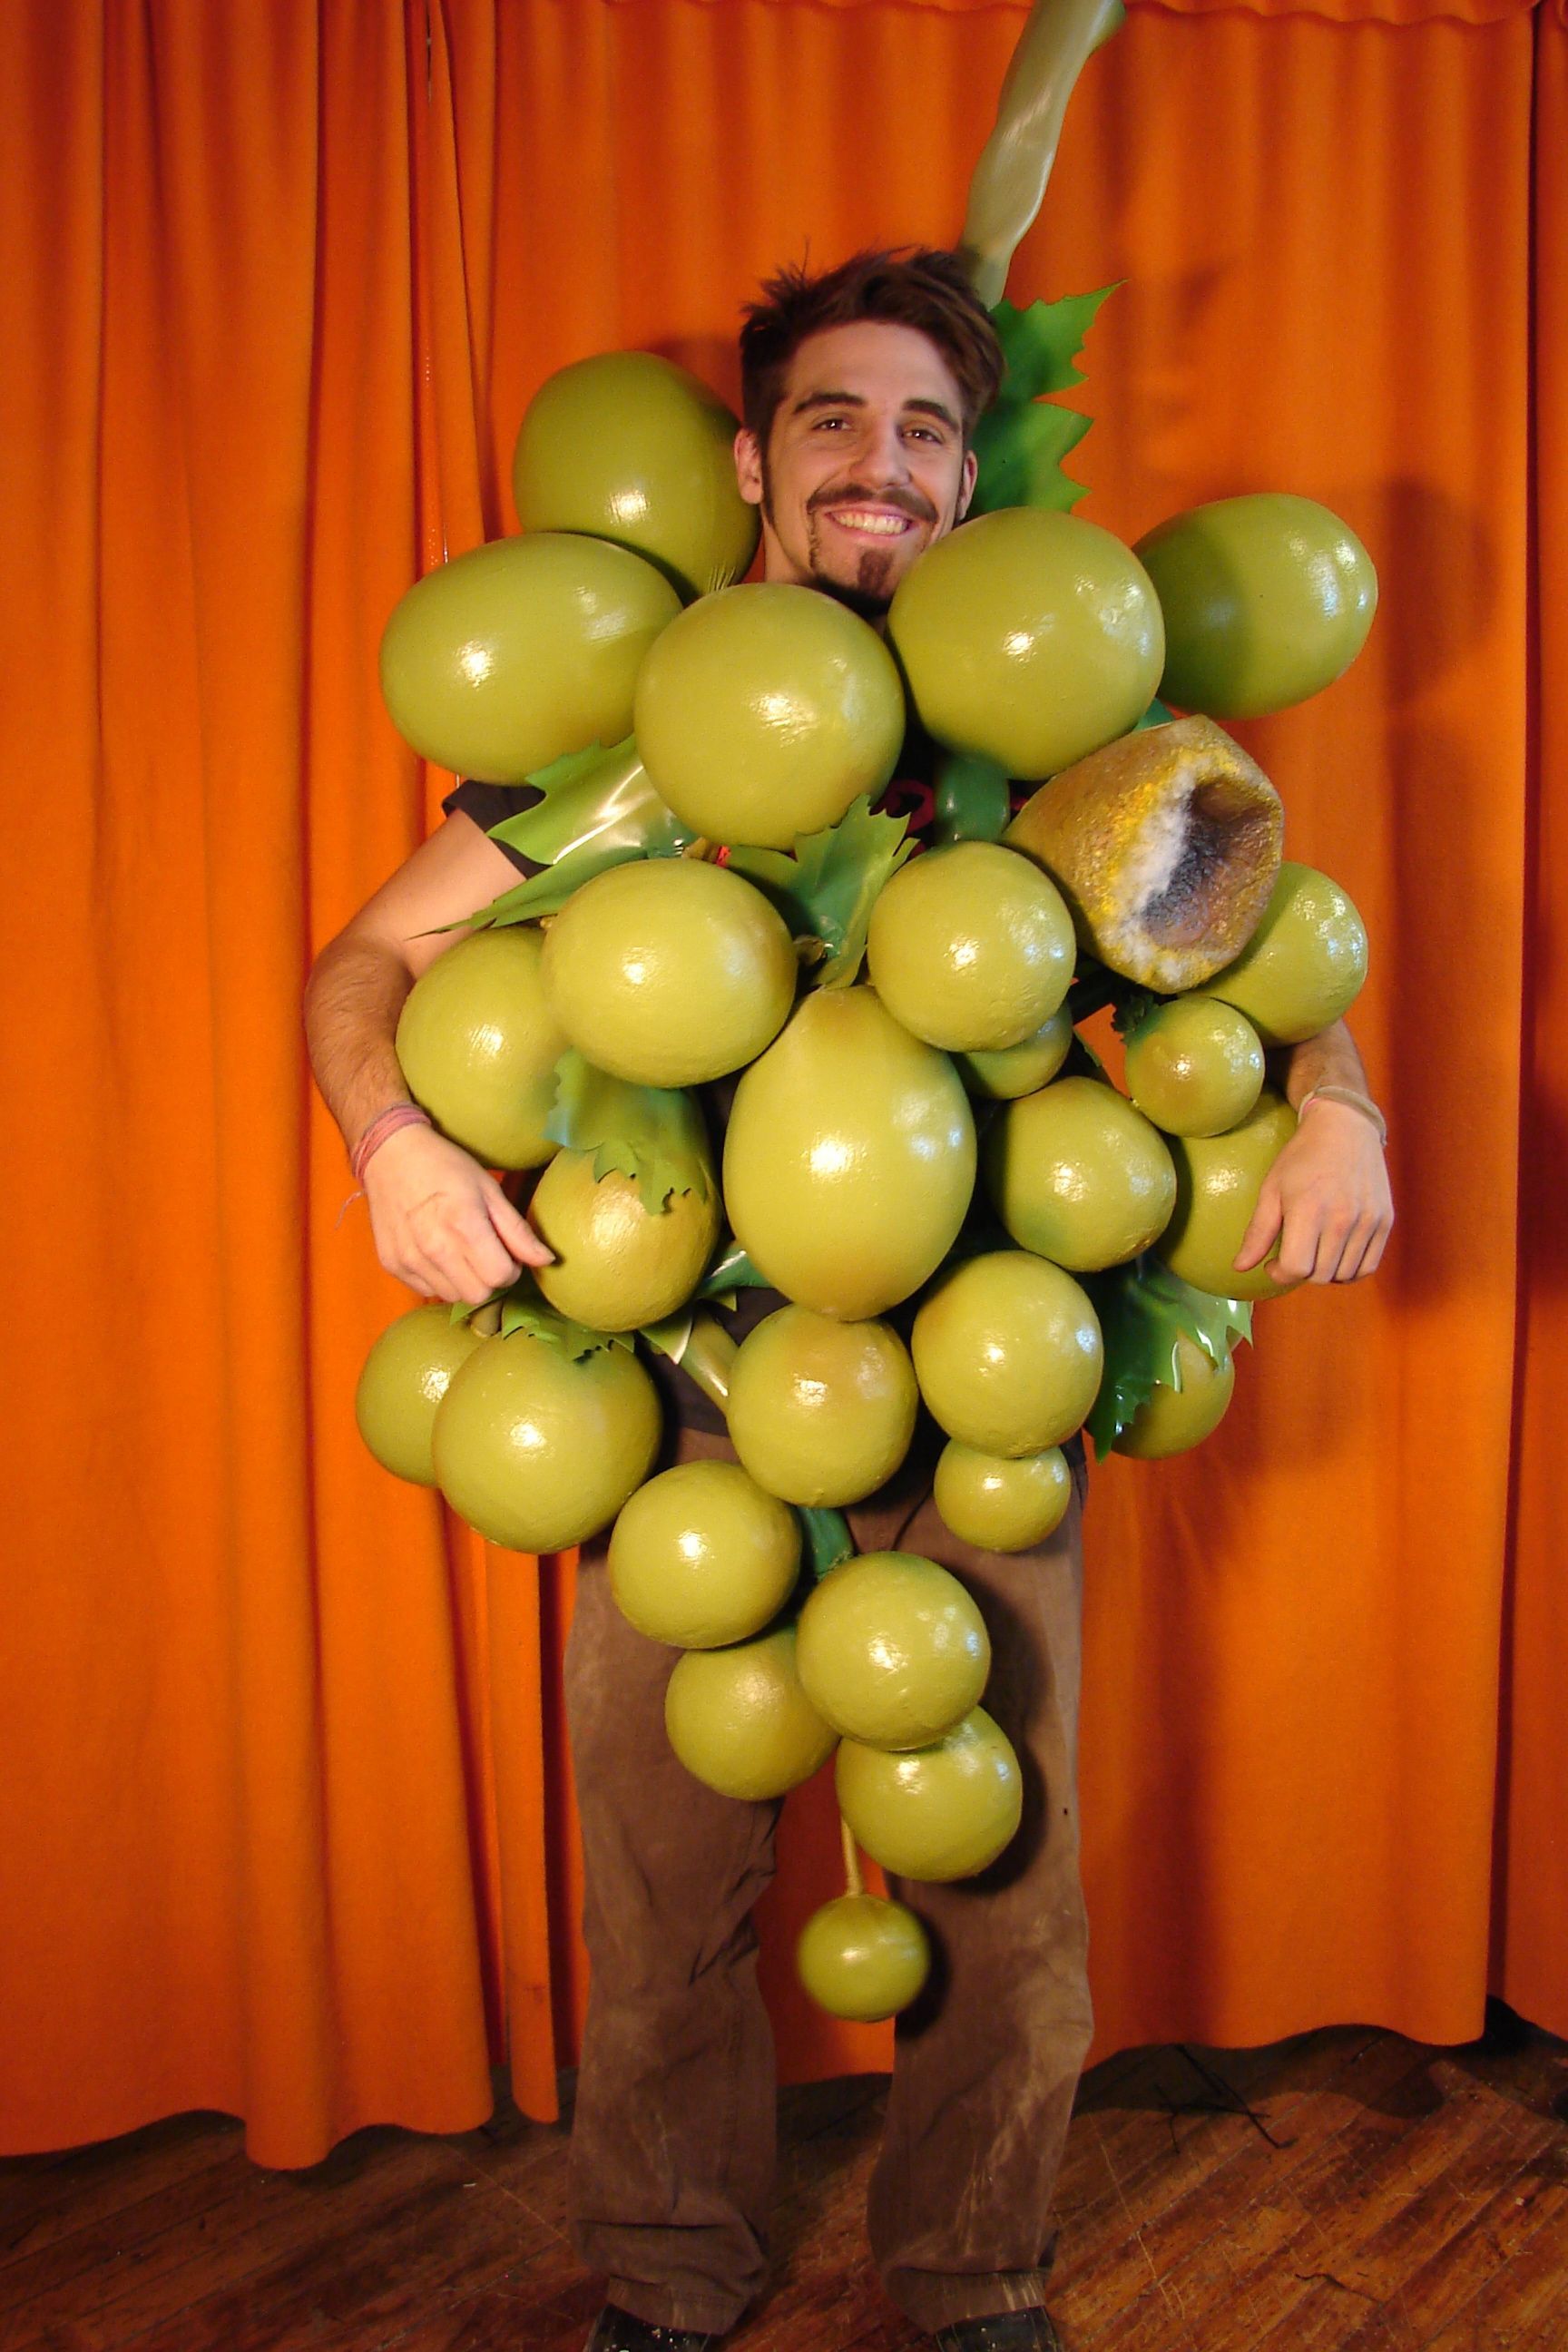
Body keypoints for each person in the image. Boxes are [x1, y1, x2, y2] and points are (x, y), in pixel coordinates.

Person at [305, 250, 1394, 2352]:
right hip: (682, 1394)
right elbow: (359, 972)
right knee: (667, 1887)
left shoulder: (1077, 743)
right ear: (748, 461)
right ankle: (667, 2279)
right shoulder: (627, 741)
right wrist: (394, 1142)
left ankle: (973, 2279)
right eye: (831, 421)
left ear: (969, 480)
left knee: (1006, 1884)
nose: (879, 464)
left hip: (989, 1385)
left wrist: (1339, 1104)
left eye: (921, 428)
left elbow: (1259, 953)